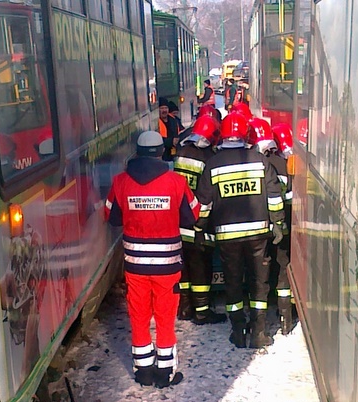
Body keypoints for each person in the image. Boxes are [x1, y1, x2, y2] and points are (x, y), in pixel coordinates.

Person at [105, 131, 200, 387]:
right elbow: (192, 215)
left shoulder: (120, 181)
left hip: (135, 263)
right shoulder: (176, 182)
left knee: (138, 314)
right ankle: (165, 371)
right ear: (160, 152)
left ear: (137, 152)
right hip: (167, 265)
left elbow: (112, 217)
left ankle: (143, 370)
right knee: (165, 316)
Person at [194, 112, 284, 348]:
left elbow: (204, 204)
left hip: (227, 237)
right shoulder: (260, 160)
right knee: (258, 282)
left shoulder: (213, 165)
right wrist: (278, 224)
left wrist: (199, 229)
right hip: (258, 235)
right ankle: (259, 332)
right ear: (246, 134)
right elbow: (274, 196)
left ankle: (237, 331)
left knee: (233, 282)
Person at [173, 115, 226, 325]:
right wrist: (202, 225)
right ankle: (202, 312)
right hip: (198, 224)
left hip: (179, 221)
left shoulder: (181, 154)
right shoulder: (208, 159)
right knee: (201, 268)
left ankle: (185, 307)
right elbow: (207, 196)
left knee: (184, 267)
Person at [271, 122, 296, 334]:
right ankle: (286, 318)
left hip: (268, 229)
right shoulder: (291, 165)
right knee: (284, 273)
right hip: (288, 229)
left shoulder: (266, 163)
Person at [158, 97, 181, 161]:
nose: (164, 110)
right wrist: (171, 141)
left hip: (174, 154)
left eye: (166, 108)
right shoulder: (156, 122)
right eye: (162, 108)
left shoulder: (173, 120)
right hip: (163, 156)